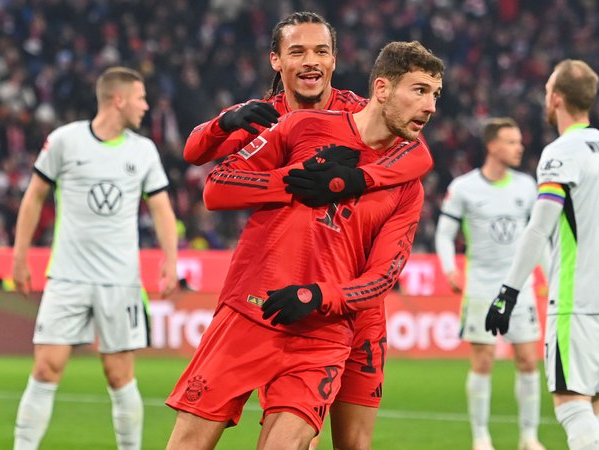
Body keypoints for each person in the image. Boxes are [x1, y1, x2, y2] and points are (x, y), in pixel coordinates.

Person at [165, 41, 444, 450]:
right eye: (420, 91)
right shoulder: (303, 126)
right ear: (382, 89)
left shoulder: (407, 185)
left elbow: (383, 276)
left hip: (322, 331)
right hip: (250, 311)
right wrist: (293, 179)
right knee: (187, 443)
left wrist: (320, 295)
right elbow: (217, 187)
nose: (431, 106)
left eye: (435, 94)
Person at [12, 66, 179, 450]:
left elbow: (162, 208)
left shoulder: (143, 150)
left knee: (119, 375)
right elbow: (34, 196)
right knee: (45, 368)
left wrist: (170, 259)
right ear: (118, 100)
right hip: (67, 277)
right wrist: (20, 257)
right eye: (140, 98)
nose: (145, 106)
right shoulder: (64, 141)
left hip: (120, 282)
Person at [486, 60, 599, 450]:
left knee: (570, 404)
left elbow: (539, 228)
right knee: (595, 407)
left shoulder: (561, 152)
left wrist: (508, 292)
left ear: (555, 98)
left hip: (578, 300)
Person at [435, 117, 545, 450]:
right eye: (511, 142)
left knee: (527, 359)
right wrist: (449, 268)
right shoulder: (464, 187)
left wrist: (550, 277)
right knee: (482, 360)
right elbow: (444, 232)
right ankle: (481, 437)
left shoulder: (527, 185)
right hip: (482, 286)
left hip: (520, 287)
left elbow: (541, 237)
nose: (519, 147)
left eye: (519, 141)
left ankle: (529, 437)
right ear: (492, 146)